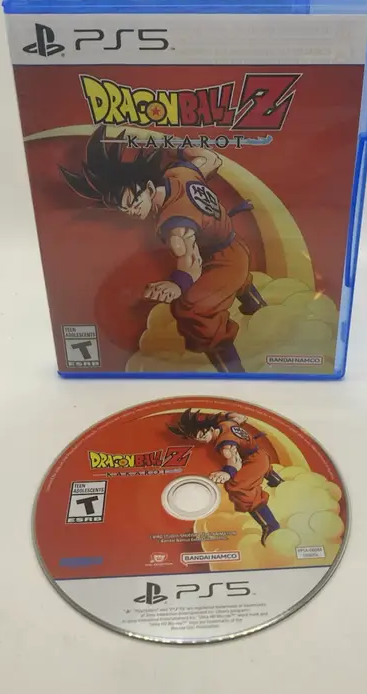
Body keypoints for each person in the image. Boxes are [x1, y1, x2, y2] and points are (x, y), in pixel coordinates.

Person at [60, 126, 266, 372]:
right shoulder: (180, 173)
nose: (131, 212)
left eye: (133, 202)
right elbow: (211, 158)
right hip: (225, 242)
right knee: (225, 275)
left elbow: (191, 260)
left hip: (226, 259)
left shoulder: (175, 223)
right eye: (123, 209)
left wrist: (177, 284)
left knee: (193, 309)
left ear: (148, 187)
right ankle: (255, 303)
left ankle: (232, 372)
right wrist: (178, 148)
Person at [168, 408, 283, 544]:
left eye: (202, 435)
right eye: (196, 438)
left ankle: (270, 524)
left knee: (237, 486)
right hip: (260, 455)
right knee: (255, 469)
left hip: (255, 461)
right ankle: (276, 480)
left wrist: (227, 473)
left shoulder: (225, 445)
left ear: (210, 428)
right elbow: (239, 417)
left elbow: (234, 461)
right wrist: (226, 414)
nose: (200, 440)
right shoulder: (227, 423)